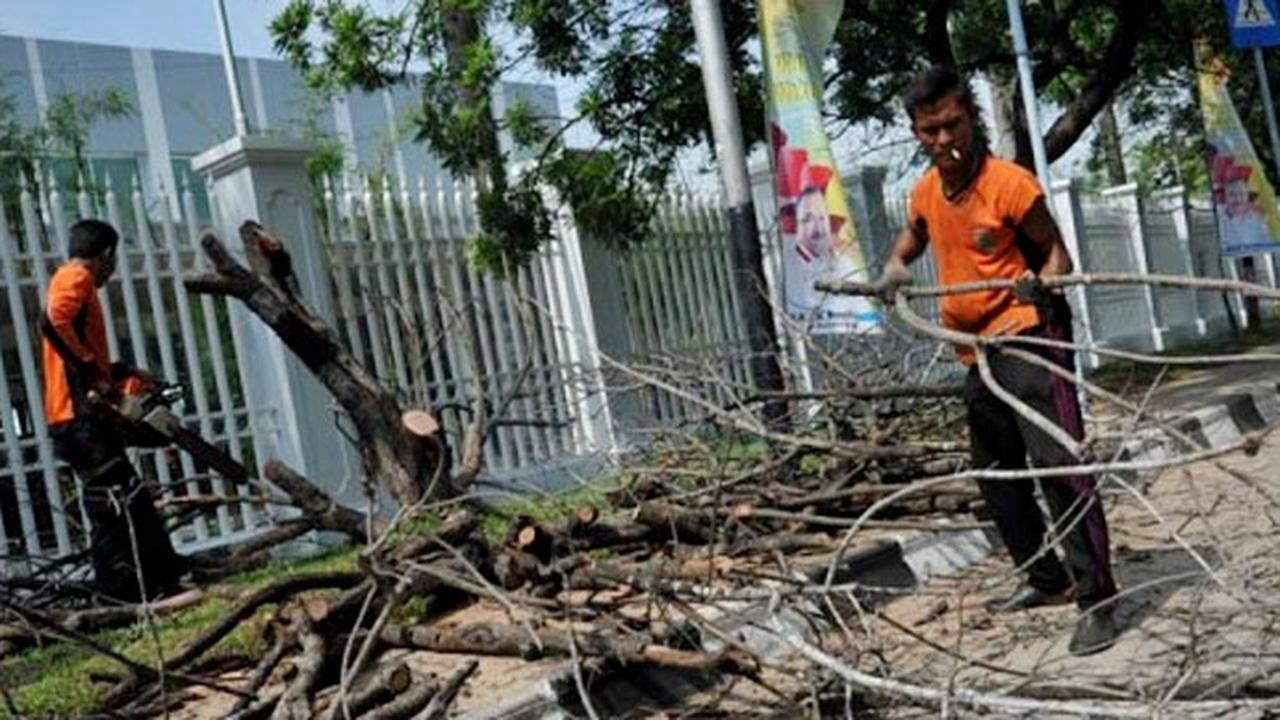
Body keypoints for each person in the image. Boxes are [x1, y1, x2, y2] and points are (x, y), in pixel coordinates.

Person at [878, 66, 1119, 655]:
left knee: (1058, 466)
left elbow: (1056, 254)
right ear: (916, 133)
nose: (944, 139)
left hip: (1031, 338)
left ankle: (1098, 599)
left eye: (952, 124)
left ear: (971, 118)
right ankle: (1045, 577)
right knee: (995, 474)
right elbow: (913, 237)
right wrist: (895, 266)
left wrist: (1043, 282)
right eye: (930, 130)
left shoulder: (1010, 185)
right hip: (978, 352)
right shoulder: (927, 192)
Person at [42, 219, 184, 601]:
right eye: (114, 260)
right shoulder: (77, 278)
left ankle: (163, 578)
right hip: (77, 420)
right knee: (112, 503)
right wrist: (94, 374)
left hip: (80, 418)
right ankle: (118, 595)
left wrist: (120, 372)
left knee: (130, 497)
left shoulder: (72, 281)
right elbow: (53, 320)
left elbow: (69, 345)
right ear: (106, 254)